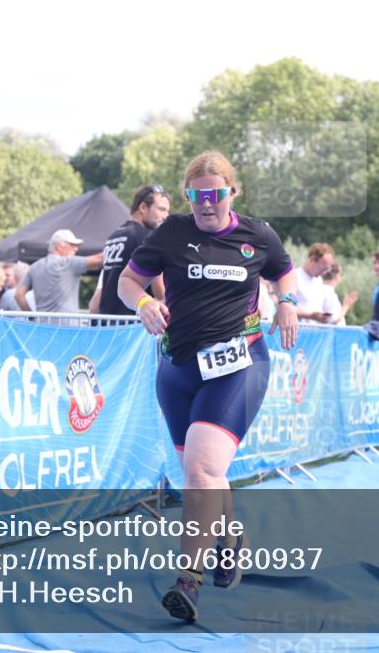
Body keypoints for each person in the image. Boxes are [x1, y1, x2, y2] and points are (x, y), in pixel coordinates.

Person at [117, 150, 298, 622]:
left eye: (215, 194)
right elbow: (127, 281)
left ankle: (188, 581)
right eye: (197, 196)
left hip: (239, 363)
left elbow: (283, 270)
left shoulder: (256, 234)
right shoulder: (172, 232)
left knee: (200, 469)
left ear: (232, 193)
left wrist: (289, 303)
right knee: (204, 476)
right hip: (178, 369)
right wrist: (141, 304)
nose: (206, 204)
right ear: (188, 197)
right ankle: (230, 536)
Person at [88, 185, 170, 315]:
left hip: (107, 323)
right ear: (143, 207)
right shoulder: (147, 237)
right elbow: (161, 293)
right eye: (161, 209)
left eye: (167, 211)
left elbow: (101, 289)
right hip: (133, 325)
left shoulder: (113, 237)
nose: (166, 216)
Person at [15, 229, 104, 312]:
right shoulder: (68, 263)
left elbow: (18, 295)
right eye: (72, 245)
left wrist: (32, 316)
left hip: (42, 325)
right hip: (67, 326)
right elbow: (100, 259)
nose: (76, 249)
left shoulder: (34, 267)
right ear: (59, 246)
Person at [294, 243, 336, 323]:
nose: (324, 273)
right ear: (312, 260)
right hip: (297, 331)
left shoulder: (318, 280)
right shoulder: (294, 277)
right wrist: (310, 316)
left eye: (328, 269)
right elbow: (284, 308)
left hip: (315, 332)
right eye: (323, 268)